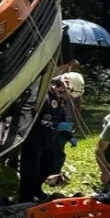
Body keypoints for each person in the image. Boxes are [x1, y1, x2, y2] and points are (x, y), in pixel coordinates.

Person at [18, 72, 84, 203]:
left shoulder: (60, 99)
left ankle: (36, 189)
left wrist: (69, 135)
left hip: (48, 138)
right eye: (68, 94)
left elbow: (62, 117)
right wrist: (56, 125)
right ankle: (25, 200)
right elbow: (31, 119)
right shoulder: (42, 95)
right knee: (30, 170)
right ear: (62, 87)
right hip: (33, 137)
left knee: (49, 165)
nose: (68, 98)